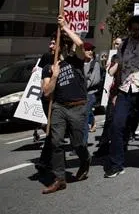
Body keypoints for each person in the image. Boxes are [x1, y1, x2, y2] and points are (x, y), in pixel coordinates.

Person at [39, 14, 91, 194]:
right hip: (59, 107)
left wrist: (66, 26)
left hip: (77, 106)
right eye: (50, 43)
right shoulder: (47, 67)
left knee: (77, 144)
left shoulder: (75, 60)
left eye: (54, 43)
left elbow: (81, 44)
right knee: (56, 142)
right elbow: (46, 92)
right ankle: (59, 178)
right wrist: (54, 76)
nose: (50, 45)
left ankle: (85, 160)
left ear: (61, 45)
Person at [105, 15, 139, 178]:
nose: (135, 32)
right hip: (126, 90)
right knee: (117, 125)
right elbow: (118, 67)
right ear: (128, 29)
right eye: (132, 29)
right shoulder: (123, 45)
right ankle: (116, 164)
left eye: (138, 29)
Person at [82, 42, 103, 144]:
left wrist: (80, 86)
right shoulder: (79, 63)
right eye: (87, 50)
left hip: (89, 95)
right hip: (79, 95)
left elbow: (95, 80)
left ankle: (83, 143)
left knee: (84, 119)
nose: (90, 52)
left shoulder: (95, 64)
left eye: (91, 50)